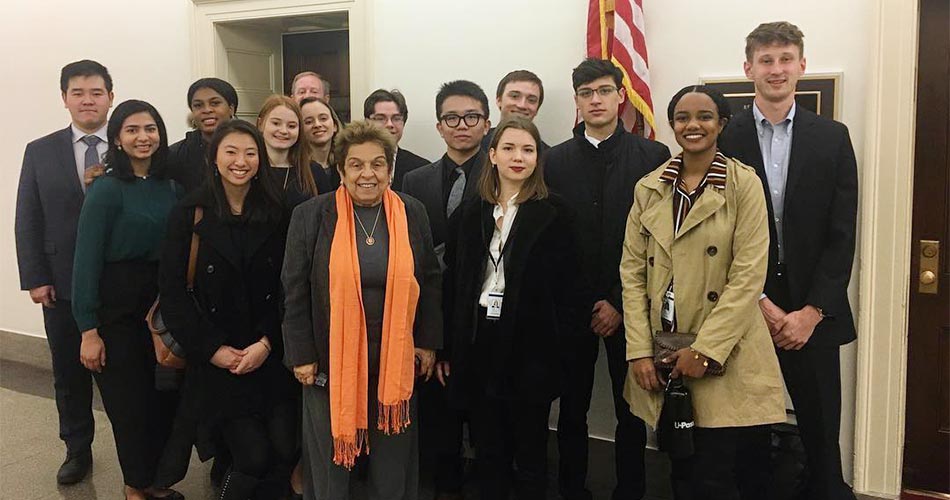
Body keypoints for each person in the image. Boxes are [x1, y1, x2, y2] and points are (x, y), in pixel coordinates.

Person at [622, 85, 787, 499]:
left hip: (724, 348)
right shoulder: (649, 188)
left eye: (704, 116)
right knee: (682, 466)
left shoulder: (743, 184)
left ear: (722, 123)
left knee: (722, 471)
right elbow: (632, 273)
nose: (692, 125)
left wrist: (706, 350)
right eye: (682, 117)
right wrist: (639, 350)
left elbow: (749, 275)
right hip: (664, 348)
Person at [718, 21, 859, 500]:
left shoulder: (832, 137)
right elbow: (717, 235)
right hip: (742, 310)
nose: (776, 70)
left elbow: (842, 236)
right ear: (748, 69)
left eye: (784, 59)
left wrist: (812, 311)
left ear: (802, 65)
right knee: (747, 435)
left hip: (812, 315)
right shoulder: (724, 136)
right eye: (765, 60)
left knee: (821, 436)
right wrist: (758, 301)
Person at [282, 120, 442, 500]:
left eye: (377, 164)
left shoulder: (412, 212)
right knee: (331, 456)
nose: (367, 174)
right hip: (328, 360)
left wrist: (427, 342)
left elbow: (431, 281)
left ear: (390, 168)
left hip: (395, 358)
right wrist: (301, 354)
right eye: (356, 164)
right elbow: (294, 291)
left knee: (394, 453)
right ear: (340, 169)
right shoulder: (311, 216)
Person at [544, 58, 670, 500]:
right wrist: (586, 302)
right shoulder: (553, 160)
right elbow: (553, 240)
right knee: (572, 408)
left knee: (631, 408)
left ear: (622, 95)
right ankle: (571, 489)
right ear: (577, 101)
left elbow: (657, 241)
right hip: (572, 307)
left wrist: (617, 301)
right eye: (585, 93)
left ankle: (630, 491)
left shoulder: (653, 157)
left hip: (631, 305)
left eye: (603, 91)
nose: (595, 100)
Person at [442, 116, 587, 500]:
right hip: (479, 341)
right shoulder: (471, 213)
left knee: (529, 450)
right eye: (508, 148)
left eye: (527, 149)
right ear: (492, 155)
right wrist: (448, 346)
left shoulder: (556, 213)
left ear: (538, 158)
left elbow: (572, 290)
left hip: (531, 348)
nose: (517, 157)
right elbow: (453, 281)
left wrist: (560, 348)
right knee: (489, 448)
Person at [159, 120, 298, 499]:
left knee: (287, 448)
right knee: (252, 456)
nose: (241, 161)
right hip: (218, 359)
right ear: (214, 158)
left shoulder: (279, 210)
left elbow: (290, 286)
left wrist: (267, 343)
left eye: (250, 152)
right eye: (231, 152)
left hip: (269, 350)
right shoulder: (189, 213)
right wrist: (215, 350)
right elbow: (173, 293)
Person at [71, 99, 183, 500]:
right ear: (116, 138)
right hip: (117, 309)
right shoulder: (105, 190)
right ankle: (135, 486)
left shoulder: (172, 187)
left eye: (150, 128)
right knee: (129, 406)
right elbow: (85, 264)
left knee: (162, 402)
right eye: (132, 130)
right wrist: (88, 331)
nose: (143, 137)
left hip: (163, 306)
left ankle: (151, 480)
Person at [14, 59, 114, 485]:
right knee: (69, 373)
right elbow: (27, 218)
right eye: (78, 93)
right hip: (61, 283)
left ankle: (137, 446)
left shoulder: (131, 145)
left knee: (124, 374)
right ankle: (77, 448)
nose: (87, 100)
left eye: (96, 92)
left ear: (111, 96)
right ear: (64, 99)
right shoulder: (40, 150)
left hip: (119, 283)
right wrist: (35, 277)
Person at [401, 79, 491, 500]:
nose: (461, 125)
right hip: (430, 315)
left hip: (482, 318)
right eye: (451, 118)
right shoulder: (415, 180)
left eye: (471, 116)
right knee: (440, 421)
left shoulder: (502, 175)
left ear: (486, 123)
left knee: (489, 422)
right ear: (439, 126)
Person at [167, 77, 238, 194]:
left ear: (231, 108)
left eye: (215, 103)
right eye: (198, 105)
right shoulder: (176, 154)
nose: (207, 110)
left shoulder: (251, 147)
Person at [256, 95, 320, 206]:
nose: (284, 131)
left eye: (291, 126)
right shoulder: (250, 168)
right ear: (260, 124)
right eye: (276, 123)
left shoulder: (314, 171)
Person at [363, 88, 430, 190]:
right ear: (367, 122)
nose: (390, 124)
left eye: (396, 118)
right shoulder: (350, 166)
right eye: (380, 118)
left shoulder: (423, 169)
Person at [480, 70, 549, 153]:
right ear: (499, 100)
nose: (522, 105)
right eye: (514, 96)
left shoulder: (547, 156)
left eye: (531, 100)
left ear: (537, 108)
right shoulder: (476, 144)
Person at [300, 96, 343, 193]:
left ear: (335, 125)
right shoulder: (296, 169)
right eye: (308, 122)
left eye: (323, 118)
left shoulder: (345, 164)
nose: (317, 125)